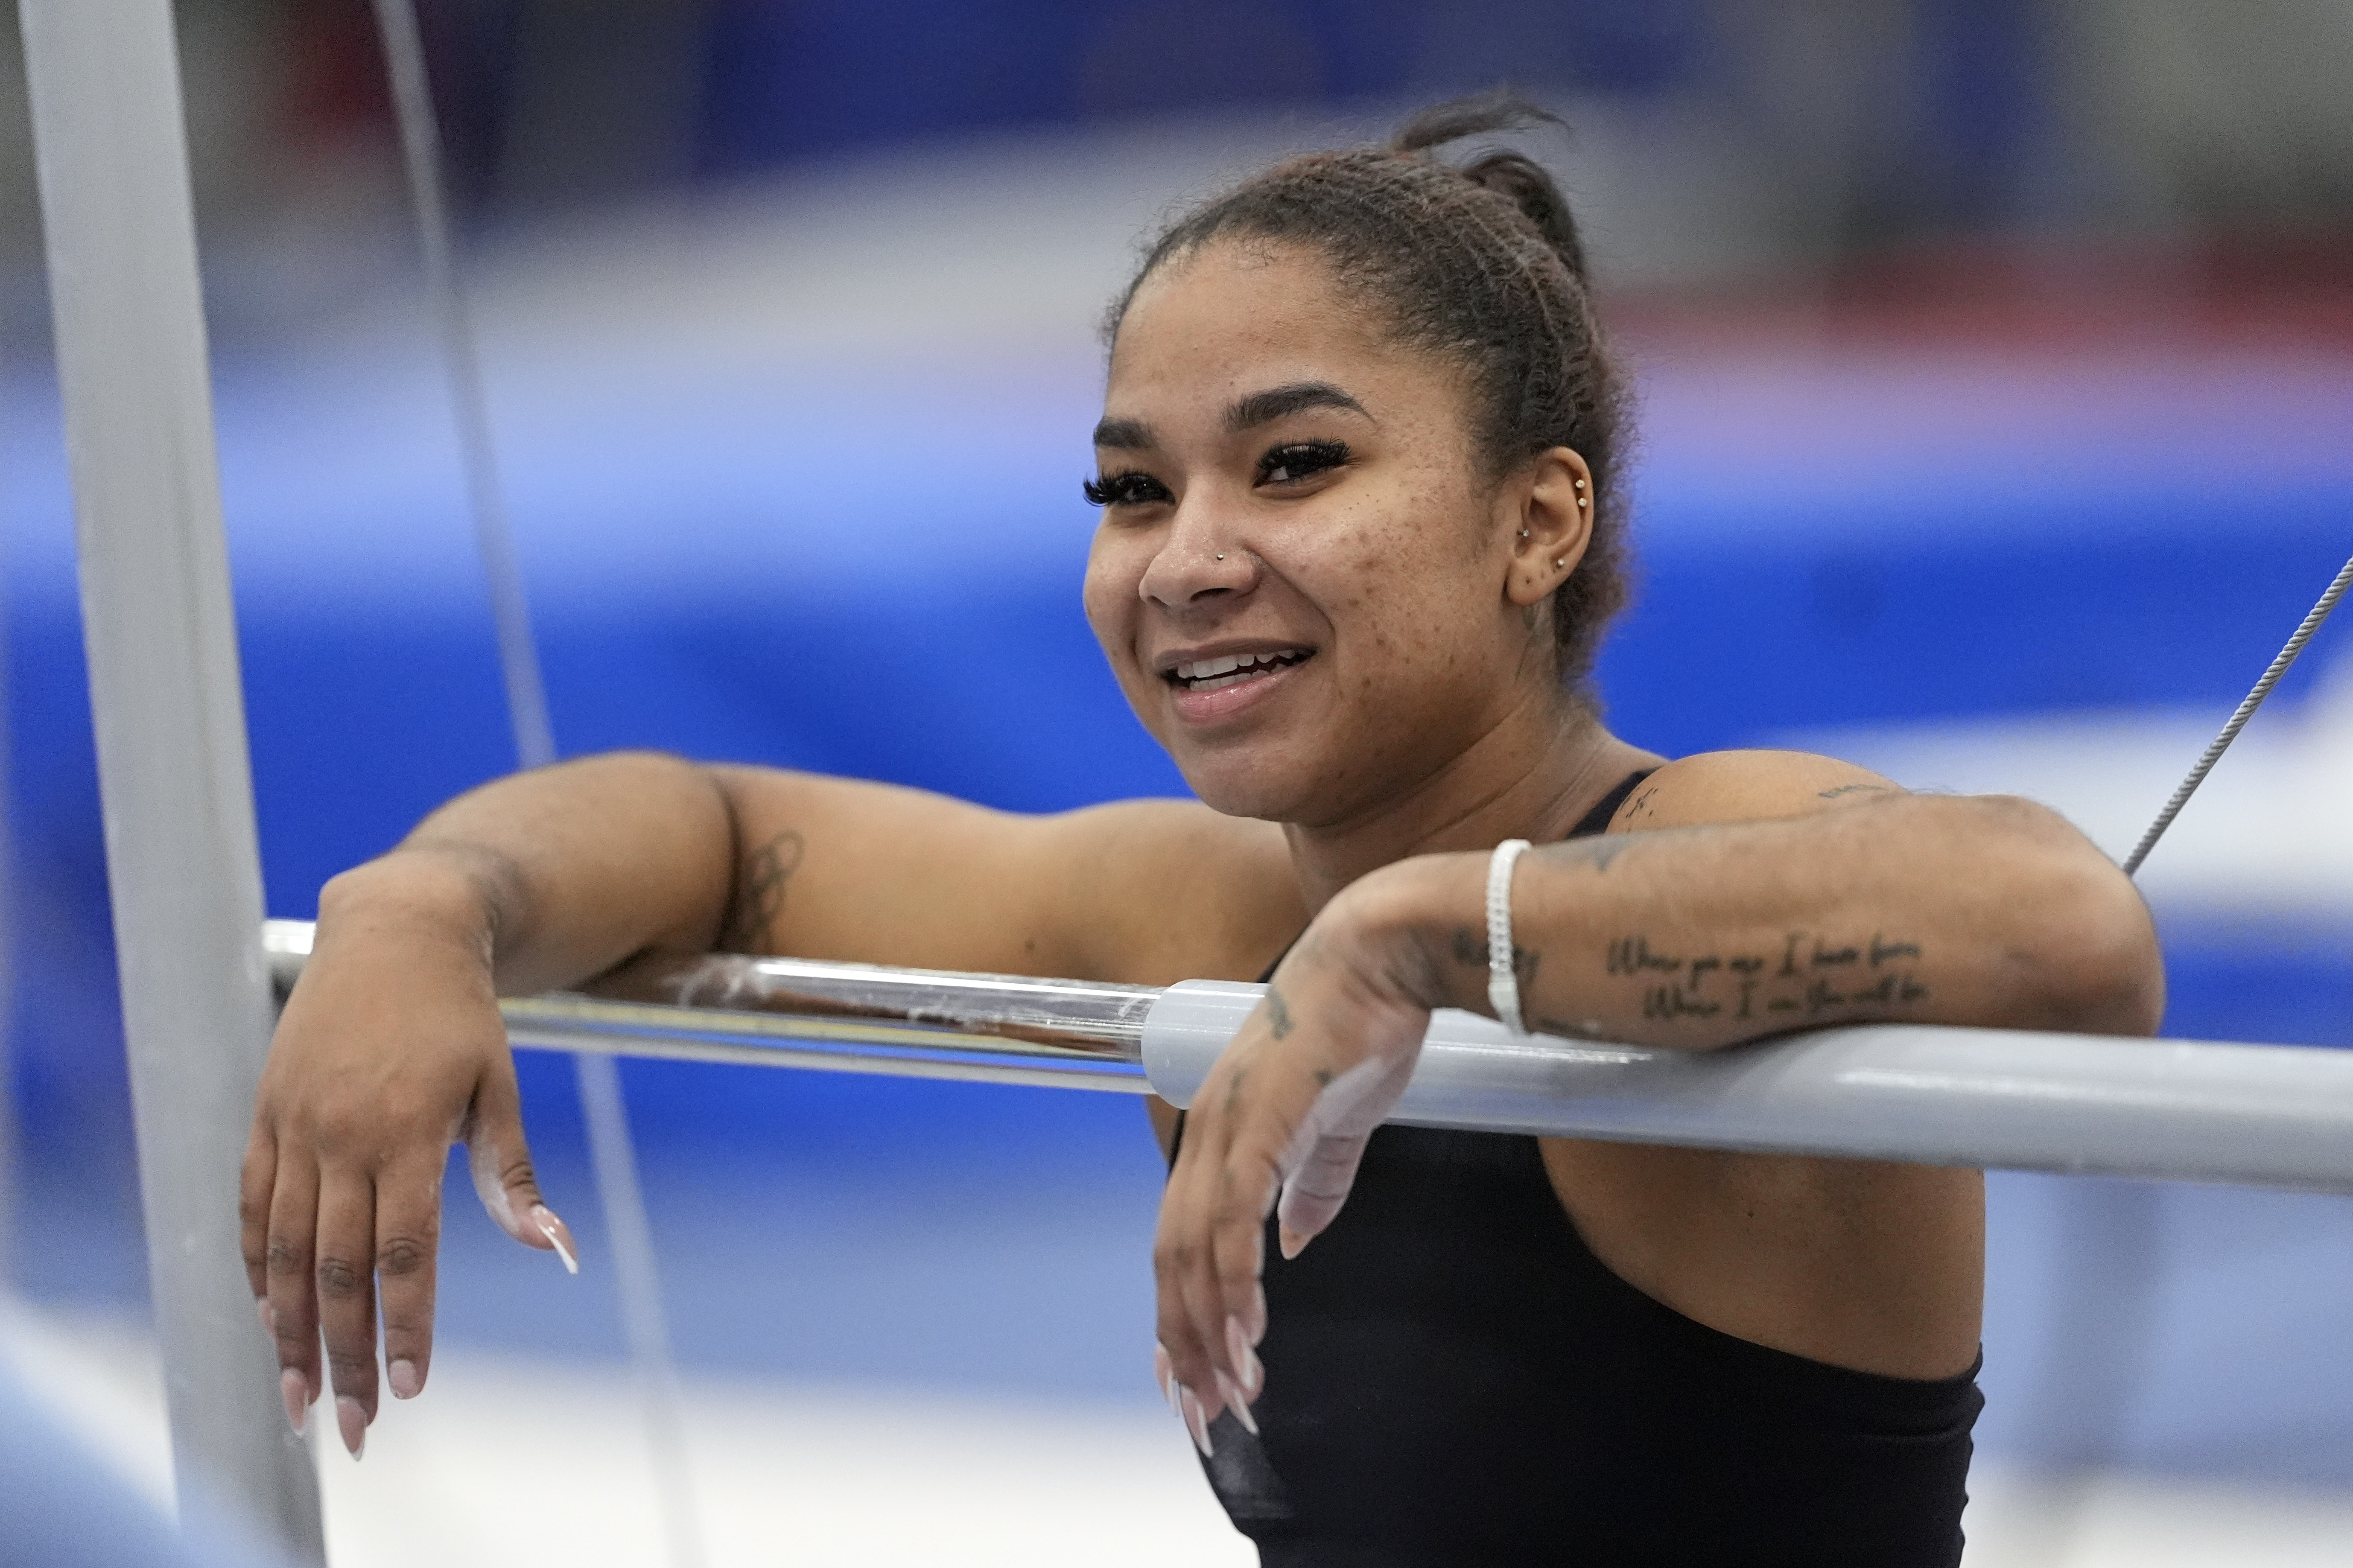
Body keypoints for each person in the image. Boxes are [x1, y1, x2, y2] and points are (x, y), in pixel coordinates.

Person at [245, 93, 2162, 1564]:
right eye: (1130, 488)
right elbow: (720, 827)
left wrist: (1418, 941)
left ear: (1539, 523)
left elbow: (2062, 923)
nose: (1190, 561)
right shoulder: (1200, 903)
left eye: (1298, 464)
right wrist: (428, 905)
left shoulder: (1685, 836)